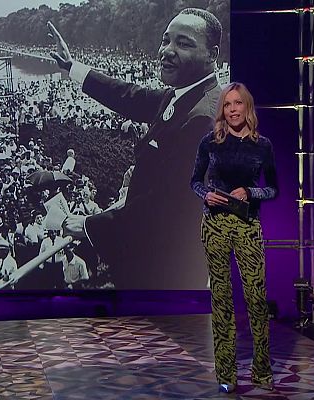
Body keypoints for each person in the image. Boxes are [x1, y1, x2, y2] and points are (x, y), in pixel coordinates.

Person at [48, 8, 223, 289]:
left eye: (184, 43)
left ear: (212, 55)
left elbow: (166, 206)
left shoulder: (202, 118)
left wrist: (90, 226)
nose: (167, 50)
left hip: (164, 274)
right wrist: (72, 67)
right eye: (166, 40)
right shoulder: (187, 95)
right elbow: (129, 96)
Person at [189, 82, 278, 393]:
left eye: (238, 103)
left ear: (247, 107)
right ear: (222, 110)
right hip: (214, 225)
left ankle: (262, 370)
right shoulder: (209, 143)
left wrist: (251, 192)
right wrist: (207, 195)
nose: (233, 109)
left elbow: (274, 189)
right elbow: (195, 181)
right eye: (228, 105)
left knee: (256, 297)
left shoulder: (263, 145)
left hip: (247, 226)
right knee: (222, 298)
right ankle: (226, 374)